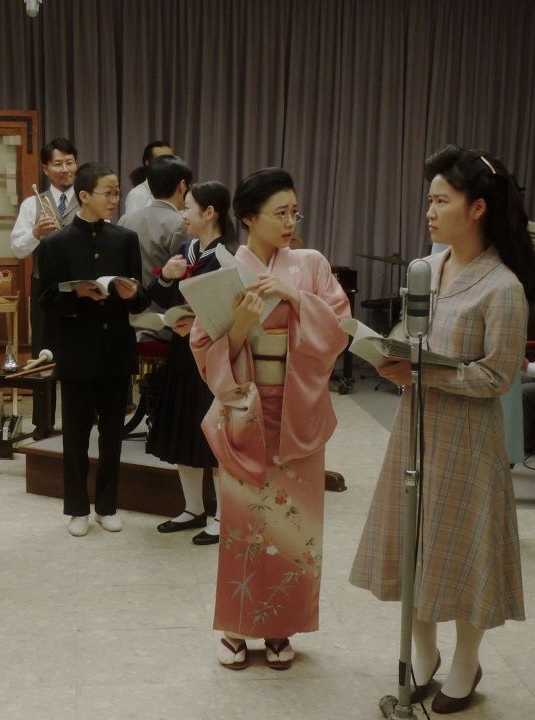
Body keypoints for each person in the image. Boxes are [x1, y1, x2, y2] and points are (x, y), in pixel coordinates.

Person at [350, 146, 535, 714]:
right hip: (414, 428)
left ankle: (466, 659)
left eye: (441, 201)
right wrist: (389, 354)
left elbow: (498, 376)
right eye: (429, 200)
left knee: (460, 548)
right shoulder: (426, 268)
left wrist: (421, 373)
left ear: (477, 208)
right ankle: (424, 653)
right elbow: (409, 335)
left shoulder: (503, 286)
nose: (430, 211)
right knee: (415, 541)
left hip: (467, 436)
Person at [190, 167, 350, 671]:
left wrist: (294, 296)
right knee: (244, 524)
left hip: (298, 408)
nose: (289, 222)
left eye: (293, 212)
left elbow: (340, 327)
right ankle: (237, 627)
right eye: (279, 213)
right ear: (248, 218)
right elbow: (204, 345)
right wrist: (240, 324)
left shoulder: (310, 264)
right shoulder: (223, 271)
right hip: (247, 410)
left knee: (294, 526)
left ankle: (282, 626)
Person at [37, 162, 148, 537]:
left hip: (116, 349)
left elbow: (140, 297)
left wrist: (132, 295)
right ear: (84, 195)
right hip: (77, 349)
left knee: (113, 435)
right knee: (75, 435)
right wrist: (76, 295)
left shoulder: (125, 239)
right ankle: (77, 509)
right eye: (108, 193)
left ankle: (107, 505)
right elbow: (46, 299)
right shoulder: (55, 244)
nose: (115, 199)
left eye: (117, 193)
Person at [146, 180, 236, 545]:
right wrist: (167, 277)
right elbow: (157, 295)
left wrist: (196, 323)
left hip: (214, 355)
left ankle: (222, 515)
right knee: (184, 427)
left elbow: (231, 313)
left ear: (209, 213)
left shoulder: (227, 256)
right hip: (182, 353)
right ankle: (193, 507)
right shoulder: (186, 249)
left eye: (188, 208)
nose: (183, 215)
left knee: (214, 433)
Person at [11, 137, 79, 355]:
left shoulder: (87, 200)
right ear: (46, 169)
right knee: (44, 350)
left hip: (80, 284)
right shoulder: (31, 204)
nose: (65, 169)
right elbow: (17, 249)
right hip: (44, 286)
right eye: (58, 164)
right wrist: (36, 233)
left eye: (70, 163)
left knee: (78, 350)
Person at [118, 154, 193, 289]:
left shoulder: (125, 220)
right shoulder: (181, 224)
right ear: (182, 186)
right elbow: (184, 275)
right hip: (163, 301)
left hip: (130, 299)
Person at [122, 140, 174, 217]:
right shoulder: (137, 194)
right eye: (162, 160)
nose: (169, 164)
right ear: (147, 163)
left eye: (171, 159)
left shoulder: (176, 191)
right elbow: (132, 223)